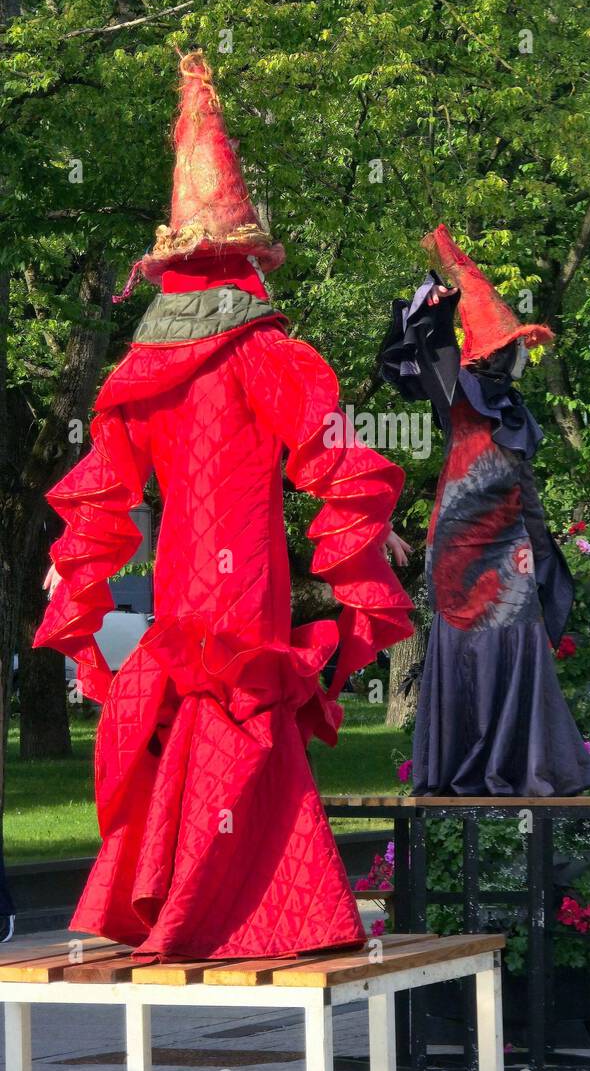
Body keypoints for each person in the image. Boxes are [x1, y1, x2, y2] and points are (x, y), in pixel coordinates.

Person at [34, 51, 413, 959]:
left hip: (182, 568)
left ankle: (176, 896)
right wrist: (368, 529)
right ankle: (244, 907)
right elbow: (328, 454)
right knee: (242, 702)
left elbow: (106, 489)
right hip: (245, 568)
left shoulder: (140, 373)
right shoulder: (265, 354)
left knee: (203, 699)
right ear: (241, 264)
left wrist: (74, 568)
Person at [379, 223, 590, 798]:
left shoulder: (512, 411)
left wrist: (544, 555)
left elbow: (526, 493)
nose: (524, 354)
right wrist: (437, 297)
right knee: (465, 638)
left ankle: (517, 765)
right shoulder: (458, 390)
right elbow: (422, 345)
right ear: (499, 353)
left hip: (509, 543)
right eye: (517, 345)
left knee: (519, 635)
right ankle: (466, 767)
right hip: (461, 543)